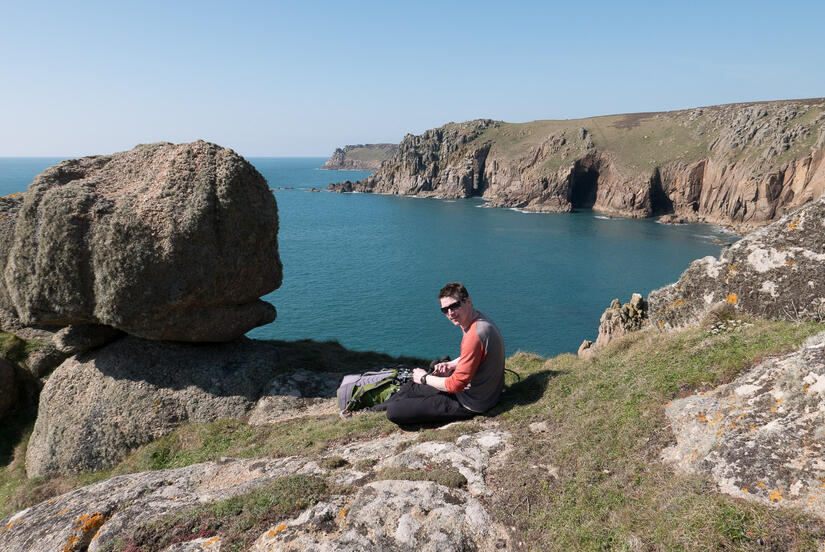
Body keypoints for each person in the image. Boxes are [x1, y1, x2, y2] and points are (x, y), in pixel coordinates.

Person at [385, 282, 505, 426]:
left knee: (394, 411)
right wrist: (451, 364)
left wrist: (424, 378)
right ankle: (374, 409)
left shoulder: (474, 335)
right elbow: (477, 354)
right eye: (445, 310)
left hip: (471, 402)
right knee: (409, 388)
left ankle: (385, 407)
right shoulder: (479, 320)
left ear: (468, 301)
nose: (450, 313)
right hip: (487, 394)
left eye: (454, 306)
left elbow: (456, 385)